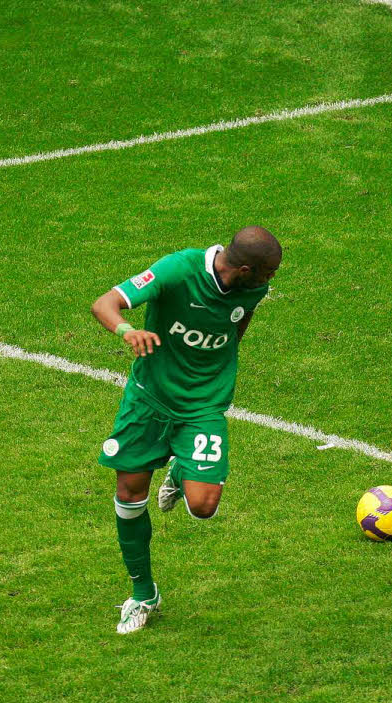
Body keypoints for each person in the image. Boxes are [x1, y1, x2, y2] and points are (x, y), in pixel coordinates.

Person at [92, 226, 282, 634]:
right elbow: (105, 303)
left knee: (204, 506)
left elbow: (237, 326)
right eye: (268, 274)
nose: (271, 282)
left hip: (202, 405)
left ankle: (182, 469)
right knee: (130, 494)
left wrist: (213, 371)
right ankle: (143, 594)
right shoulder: (177, 270)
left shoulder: (253, 289)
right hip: (149, 398)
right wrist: (128, 331)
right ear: (246, 268)